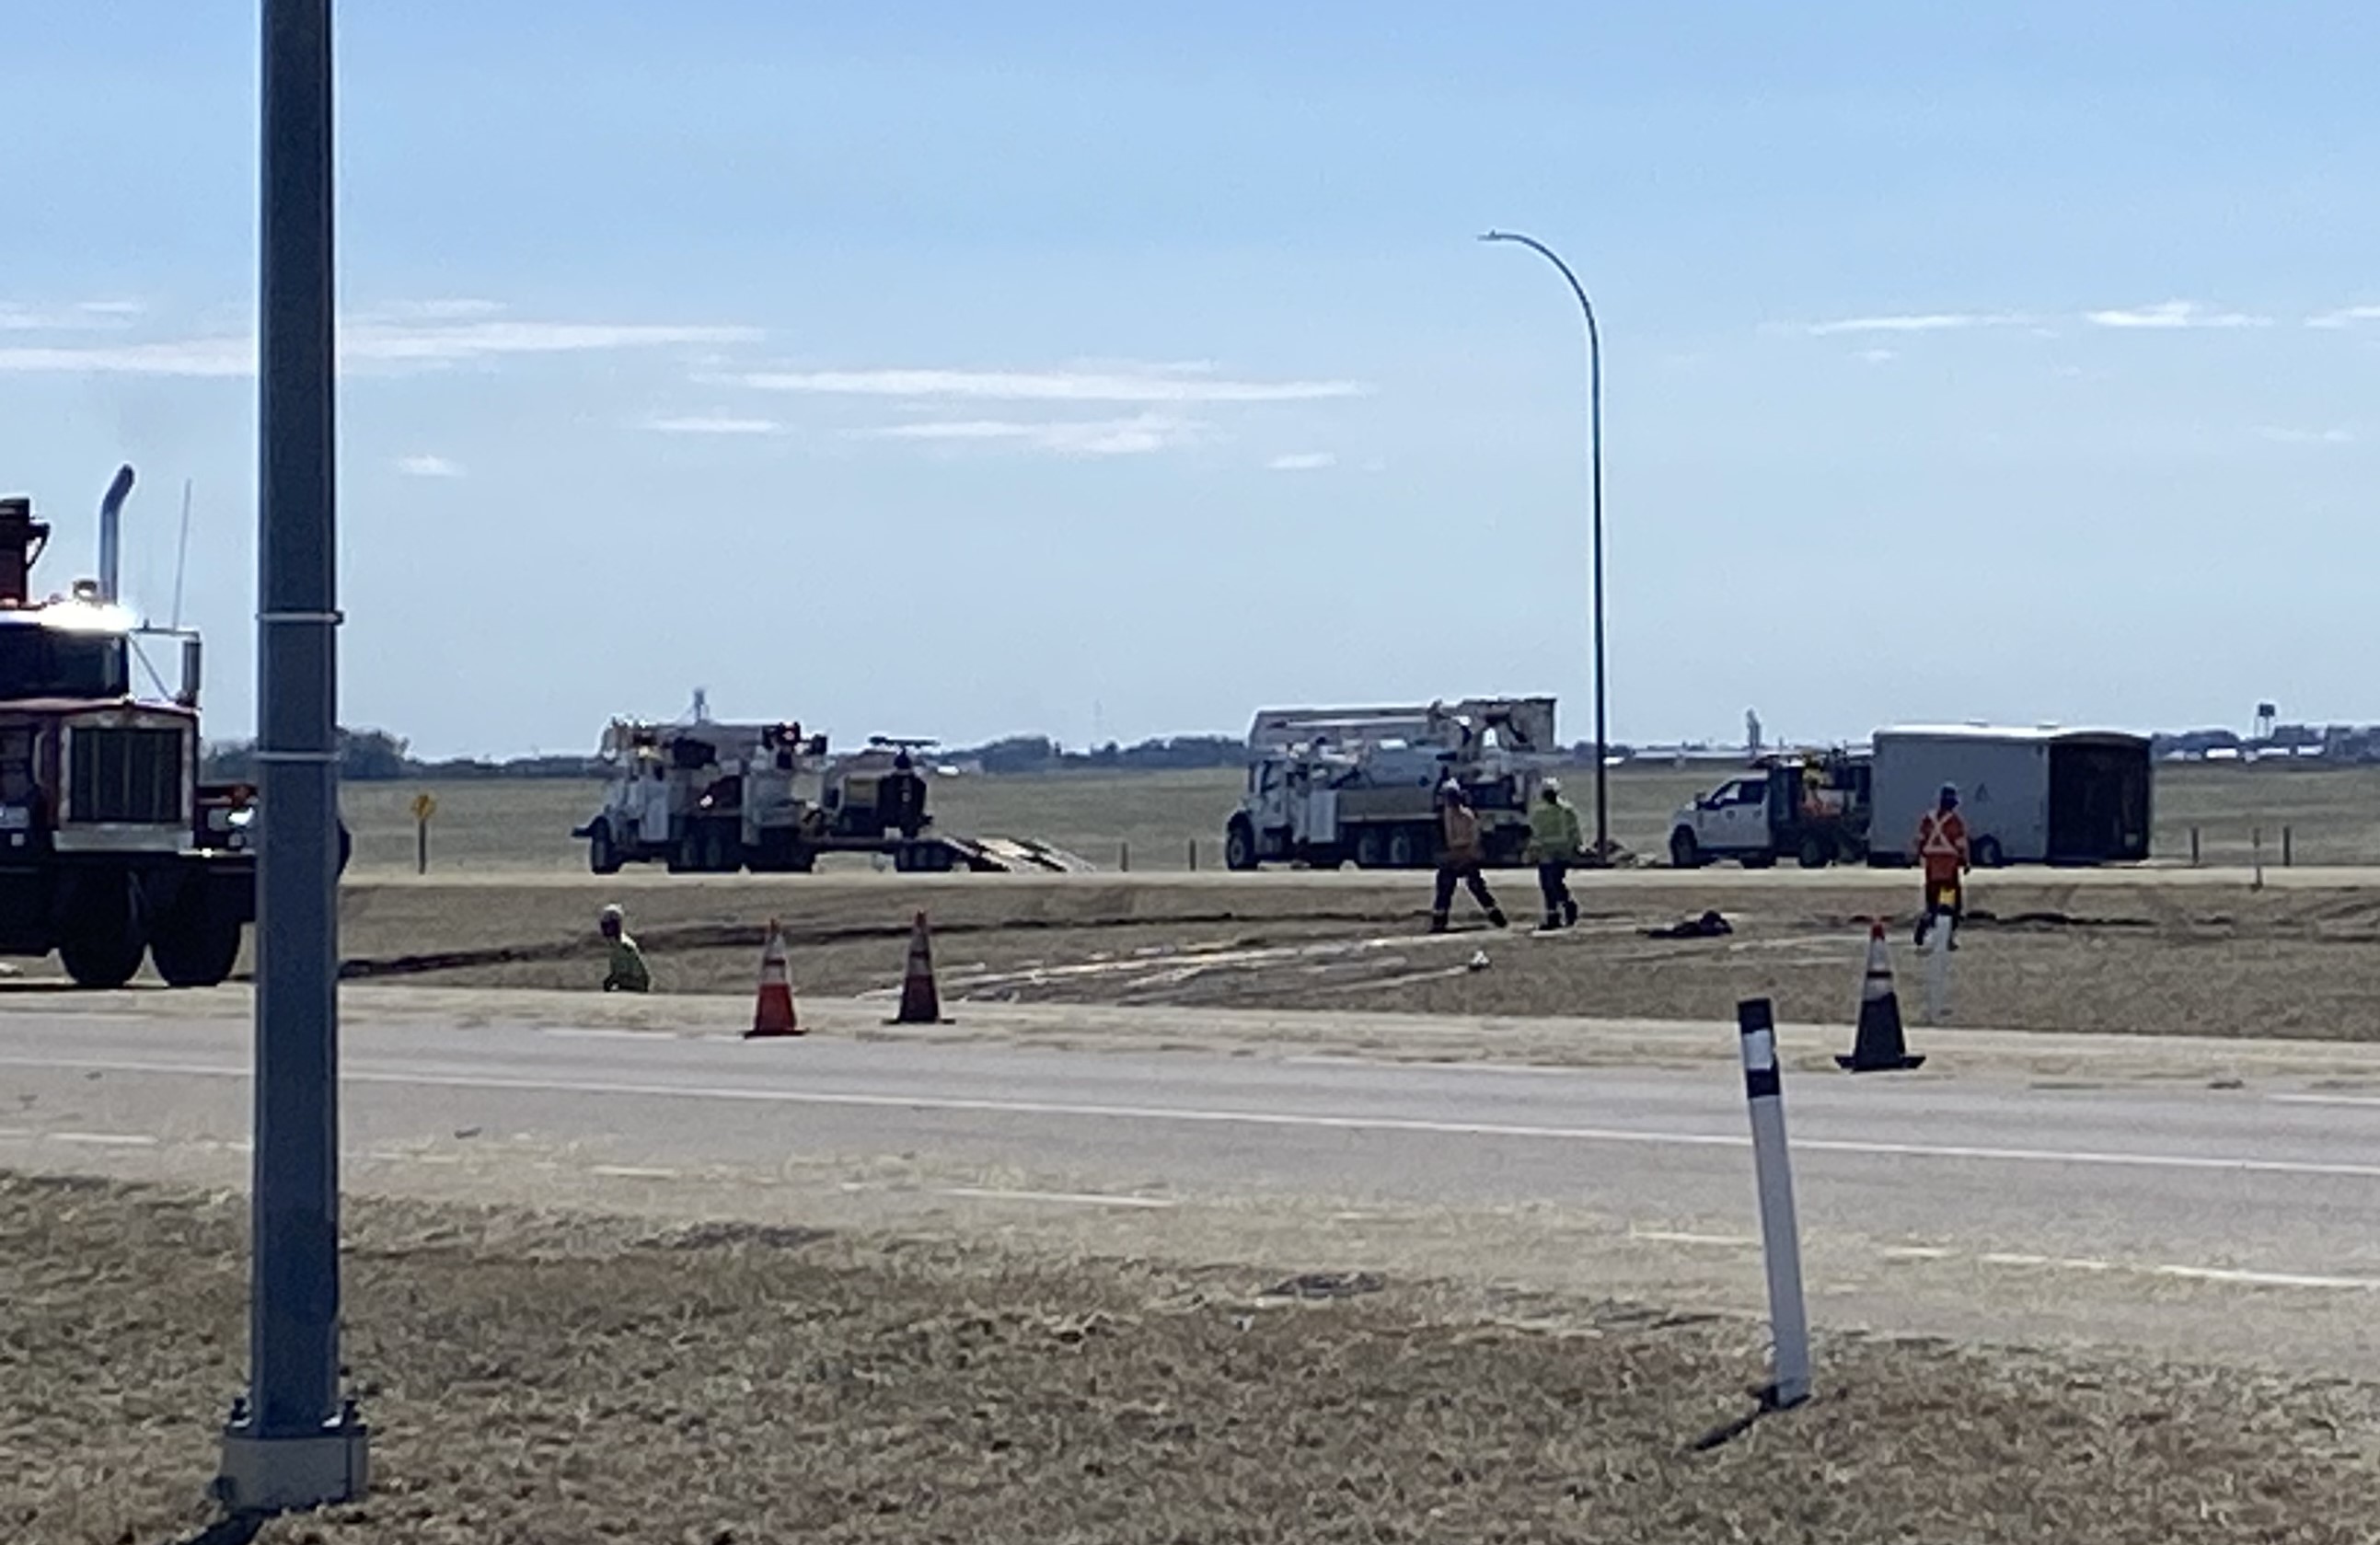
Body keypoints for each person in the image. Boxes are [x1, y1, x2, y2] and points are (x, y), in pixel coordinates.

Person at [1430, 781, 1508, 934]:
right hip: (1455, 857)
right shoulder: (1446, 815)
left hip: (1467, 856)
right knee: (1445, 886)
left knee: (1476, 886)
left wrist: (1463, 855)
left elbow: (1472, 840)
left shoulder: (1466, 815)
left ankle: (1496, 916)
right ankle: (1439, 919)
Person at [1913, 783, 1970, 949]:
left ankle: (1926, 921)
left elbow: (1920, 841)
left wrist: (1920, 857)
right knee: (1949, 906)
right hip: (1949, 872)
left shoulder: (1928, 819)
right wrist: (1966, 863)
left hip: (1932, 871)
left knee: (1932, 903)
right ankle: (1947, 939)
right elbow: (1961, 845)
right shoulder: (1955, 821)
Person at [1526, 778, 1584, 930]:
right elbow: (1574, 832)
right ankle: (1558, 912)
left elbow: (1536, 835)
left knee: (1551, 884)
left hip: (1554, 853)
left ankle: (1561, 910)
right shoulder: (1564, 810)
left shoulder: (1547, 812)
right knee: (1552, 884)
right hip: (1554, 853)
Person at [598, 904, 651, 993]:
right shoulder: (615, 946)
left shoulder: (625, 946)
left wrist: (616, 980)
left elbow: (641, 980)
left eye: (608, 925)